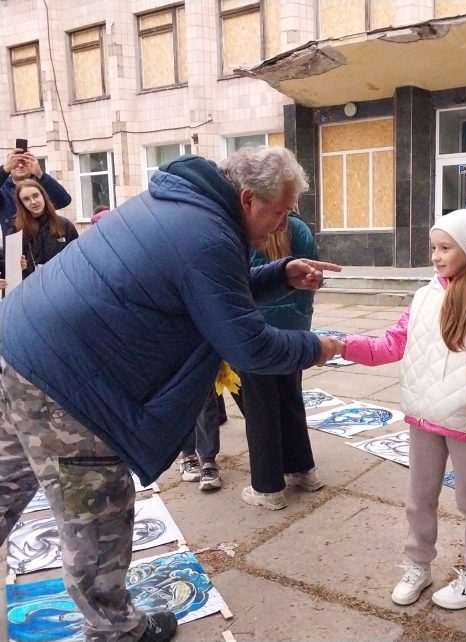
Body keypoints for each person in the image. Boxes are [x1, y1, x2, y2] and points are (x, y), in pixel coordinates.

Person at [0, 146, 343, 642]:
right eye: (283, 210)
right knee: (96, 511)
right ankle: (116, 630)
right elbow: (247, 344)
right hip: (66, 383)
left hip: (17, 347)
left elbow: (204, 290)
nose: (283, 222)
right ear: (248, 199)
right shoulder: (210, 236)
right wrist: (321, 346)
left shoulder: (184, 206)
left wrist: (277, 273)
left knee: (7, 480)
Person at [337, 208, 466, 610]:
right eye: (433, 248)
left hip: (465, 422)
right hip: (423, 418)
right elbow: (391, 344)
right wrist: (340, 345)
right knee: (418, 498)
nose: (436, 256)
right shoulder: (424, 298)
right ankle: (418, 565)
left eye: (445, 248)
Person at [240, 212, 324, 510]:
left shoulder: (246, 226)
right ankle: (303, 470)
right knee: (290, 397)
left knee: (261, 406)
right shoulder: (299, 227)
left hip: (256, 330)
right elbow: (315, 277)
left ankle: (268, 487)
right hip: (295, 327)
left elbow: (235, 283)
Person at [11, 179, 78, 276]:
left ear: (43, 196)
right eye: (26, 199)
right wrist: (21, 267)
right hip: (31, 284)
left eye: (36, 195)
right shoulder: (15, 229)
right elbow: (9, 266)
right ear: (21, 204)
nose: (33, 202)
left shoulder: (64, 225)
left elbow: (76, 258)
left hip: (61, 282)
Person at [0, 147, 72, 237]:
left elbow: (64, 200)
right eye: (16, 162)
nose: (20, 165)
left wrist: (40, 174)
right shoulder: (3, 189)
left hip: (47, 241)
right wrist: (4, 170)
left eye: (24, 162)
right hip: (16, 243)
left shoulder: (41, 187)